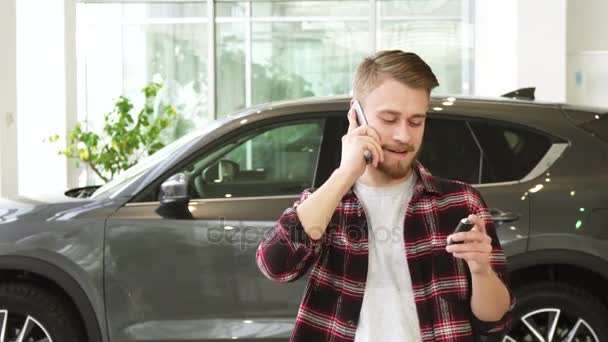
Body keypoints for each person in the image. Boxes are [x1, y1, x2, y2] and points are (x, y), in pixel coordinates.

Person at [256, 50, 514, 342]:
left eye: (416, 122)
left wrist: (480, 270)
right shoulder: (328, 203)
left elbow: (496, 322)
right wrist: (344, 175)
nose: (404, 136)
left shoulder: (460, 203)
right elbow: (276, 267)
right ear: (357, 114)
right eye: (389, 119)